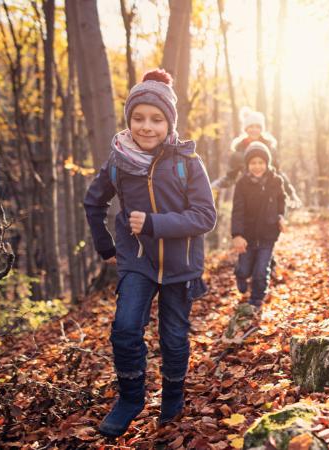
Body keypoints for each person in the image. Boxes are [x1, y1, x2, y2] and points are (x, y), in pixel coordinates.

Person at [83, 69, 216, 438]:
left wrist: (156, 223)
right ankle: (130, 398)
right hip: (137, 262)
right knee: (125, 328)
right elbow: (93, 203)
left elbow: (206, 216)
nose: (146, 126)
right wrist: (106, 247)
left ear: (169, 122)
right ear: (129, 120)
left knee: (173, 337)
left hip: (181, 264)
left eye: (156, 119)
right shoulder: (118, 161)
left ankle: (172, 395)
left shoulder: (186, 162)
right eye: (138, 118)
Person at [230, 141, 286, 312]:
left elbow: (281, 201)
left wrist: (281, 217)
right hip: (247, 234)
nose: (257, 166)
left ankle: (256, 300)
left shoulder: (276, 181)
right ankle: (240, 274)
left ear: (267, 163)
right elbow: (237, 210)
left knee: (261, 270)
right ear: (247, 165)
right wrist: (237, 235)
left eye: (261, 162)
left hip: (268, 233)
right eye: (253, 163)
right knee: (246, 268)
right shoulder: (242, 184)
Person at [211, 107, 301, 207]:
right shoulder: (238, 153)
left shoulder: (270, 149)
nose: (254, 130)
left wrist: (291, 193)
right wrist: (215, 185)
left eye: (258, 127)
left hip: (269, 197)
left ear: (262, 129)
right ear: (246, 129)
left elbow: (279, 173)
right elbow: (230, 177)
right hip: (248, 198)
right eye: (251, 126)